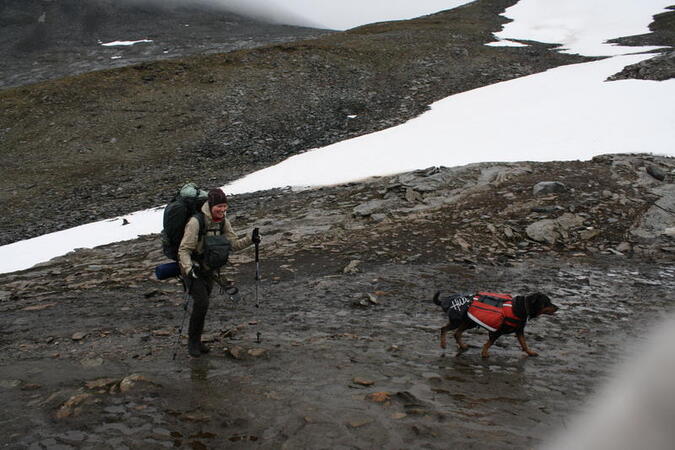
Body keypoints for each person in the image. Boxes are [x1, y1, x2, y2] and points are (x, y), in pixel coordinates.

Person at [178, 188, 260, 357]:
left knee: (203, 304)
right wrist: (188, 268)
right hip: (192, 269)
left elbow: (233, 244)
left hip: (210, 270)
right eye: (219, 207)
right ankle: (193, 344)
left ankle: (197, 341)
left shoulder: (223, 222)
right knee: (201, 303)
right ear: (211, 205)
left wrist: (251, 240)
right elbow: (184, 250)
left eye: (225, 206)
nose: (222, 210)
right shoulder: (195, 222)